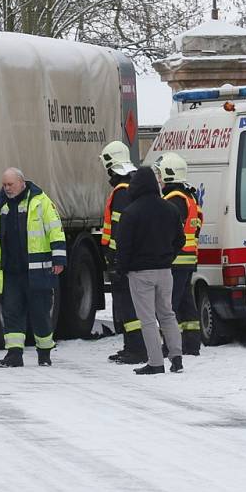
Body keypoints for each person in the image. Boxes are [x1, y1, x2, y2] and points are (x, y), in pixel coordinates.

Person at [0, 168, 66, 367]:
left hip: (37, 271)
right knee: (11, 312)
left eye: (10, 184)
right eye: (4, 185)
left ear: (21, 183)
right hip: (10, 271)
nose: (7, 188)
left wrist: (59, 260)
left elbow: (55, 230)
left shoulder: (40, 202)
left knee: (41, 313)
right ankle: (14, 355)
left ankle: (44, 353)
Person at [115, 166, 185, 375]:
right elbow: (180, 239)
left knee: (147, 319)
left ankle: (156, 362)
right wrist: (168, 257)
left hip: (140, 273)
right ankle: (177, 357)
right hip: (165, 271)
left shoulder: (130, 213)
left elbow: (123, 246)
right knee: (167, 314)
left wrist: (122, 269)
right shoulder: (170, 209)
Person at [98, 141, 146, 364]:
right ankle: (132, 346)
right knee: (131, 305)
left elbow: (120, 229)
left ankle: (135, 349)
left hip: (123, 261)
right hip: (133, 258)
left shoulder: (121, 191)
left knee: (128, 306)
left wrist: (116, 259)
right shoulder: (134, 186)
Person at [154, 152, 204, 356]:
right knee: (186, 304)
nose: (158, 179)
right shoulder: (189, 197)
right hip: (188, 259)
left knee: (168, 306)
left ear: (168, 174)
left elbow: (167, 230)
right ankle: (191, 344)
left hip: (175, 260)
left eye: (159, 174)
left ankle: (169, 345)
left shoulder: (173, 200)